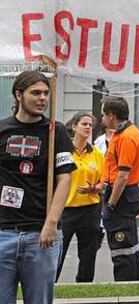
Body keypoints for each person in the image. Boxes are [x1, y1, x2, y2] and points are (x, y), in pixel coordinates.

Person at [0, 70, 76, 303]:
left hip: (41, 235)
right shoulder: (2, 130)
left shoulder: (56, 131)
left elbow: (65, 179)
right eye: (36, 93)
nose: (43, 98)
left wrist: (51, 224)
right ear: (19, 95)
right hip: (3, 233)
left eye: (46, 93)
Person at [100, 95, 139, 281]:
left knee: (121, 246)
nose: (102, 118)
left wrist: (110, 204)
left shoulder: (126, 137)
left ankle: (125, 286)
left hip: (122, 196)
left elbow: (122, 175)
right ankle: (135, 284)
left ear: (112, 116)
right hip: (128, 194)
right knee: (130, 244)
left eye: (103, 114)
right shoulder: (129, 133)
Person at [56, 112, 104, 282]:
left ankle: (84, 287)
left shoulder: (97, 154)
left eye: (90, 125)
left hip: (90, 210)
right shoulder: (64, 152)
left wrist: (93, 188)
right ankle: (50, 286)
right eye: (84, 124)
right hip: (66, 210)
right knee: (58, 253)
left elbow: (103, 182)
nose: (88, 128)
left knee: (88, 255)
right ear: (74, 126)